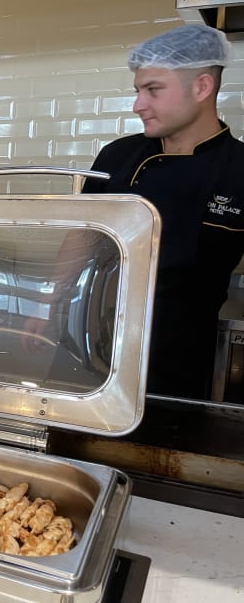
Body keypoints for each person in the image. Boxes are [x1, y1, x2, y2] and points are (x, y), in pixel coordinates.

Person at [82, 23, 244, 399]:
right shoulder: (117, 157)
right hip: (94, 343)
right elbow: (81, 240)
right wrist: (49, 313)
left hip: (182, 362)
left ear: (201, 87)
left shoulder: (239, 168)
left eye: (153, 90)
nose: (138, 104)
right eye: (138, 91)